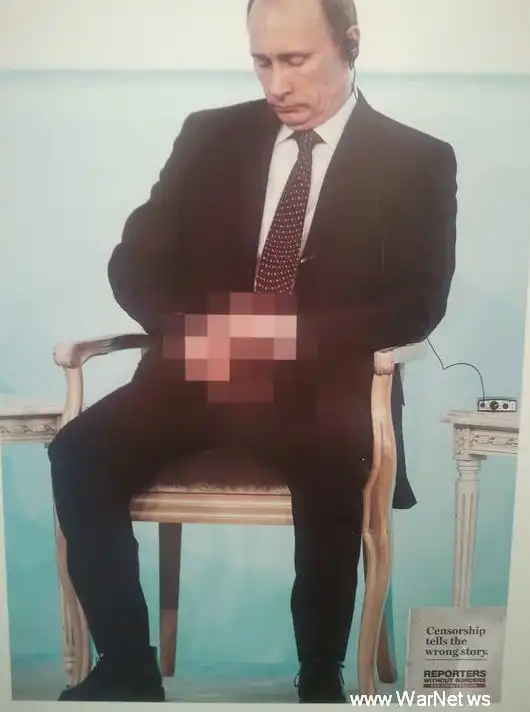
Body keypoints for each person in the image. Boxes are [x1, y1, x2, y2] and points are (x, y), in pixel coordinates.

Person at [48, 0, 457, 703]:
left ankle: (320, 675)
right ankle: (127, 666)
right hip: (199, 370)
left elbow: (417, 304)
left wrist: (286, 338)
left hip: (322, 385)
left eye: (295, 60)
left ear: (351, 43)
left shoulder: (418, 159)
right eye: (262, 62)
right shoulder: (209, 135)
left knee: (332, 456)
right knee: (77, 452)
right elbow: (134, 260)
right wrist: (192, 331)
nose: (277, 84)